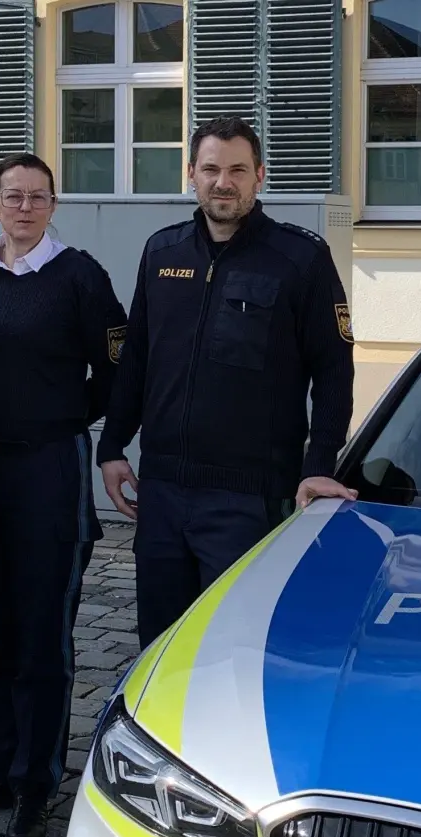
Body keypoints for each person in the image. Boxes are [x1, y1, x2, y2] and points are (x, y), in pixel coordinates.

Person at [97, 117, 357, 648]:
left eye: (238, 169)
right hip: (162, 491)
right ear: (190, 174)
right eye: (211, 169)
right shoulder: (162, 252)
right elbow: (138, 357)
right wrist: (113, 445)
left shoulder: (299, 259)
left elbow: (333, 368)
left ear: (260, 176)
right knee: (161, 644)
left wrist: (319, 466)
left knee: (234, 647)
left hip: (249, 497)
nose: (224, 181)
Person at [0, 152, 126, 837]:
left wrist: (65, 416)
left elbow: (117, 369)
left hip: (47, 475)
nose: (23, 207)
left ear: (53, 204)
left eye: (36, 197)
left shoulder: (77, 275)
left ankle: (37, 783)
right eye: (12, 196)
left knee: (42, 638)